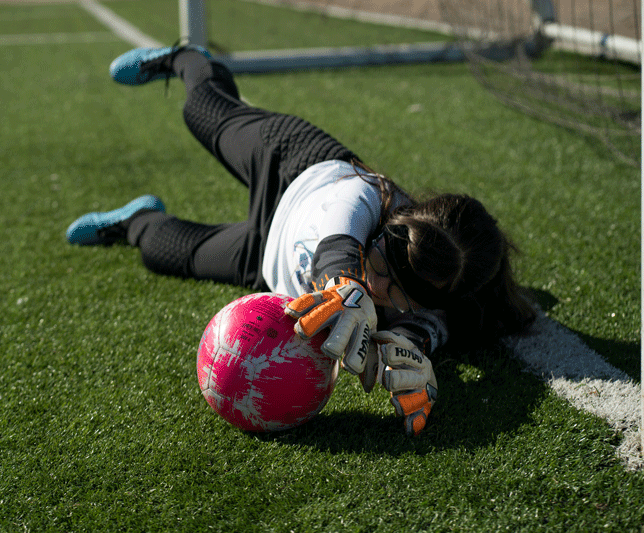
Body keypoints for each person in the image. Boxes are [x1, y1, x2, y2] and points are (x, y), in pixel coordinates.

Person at [66, 45, 535, 435]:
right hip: (292, 164)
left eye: (397, 295)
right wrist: (345, 283)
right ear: (396, 224)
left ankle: (136, 220)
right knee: (203, 112)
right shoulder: (365, 195)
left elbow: (416, 334)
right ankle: (185, 58)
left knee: (164, 252)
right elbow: (338, 240)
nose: (377, 286)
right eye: (378, 265)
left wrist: (410, 354)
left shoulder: (436, 304)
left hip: (269, 262)